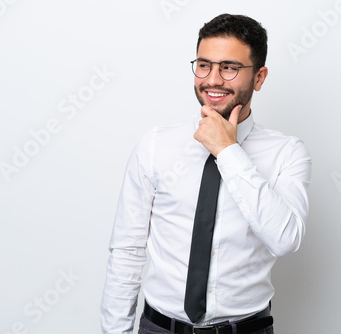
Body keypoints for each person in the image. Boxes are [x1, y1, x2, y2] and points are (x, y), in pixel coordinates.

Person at [100, 13, 311, 334]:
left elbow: (284, 240)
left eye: (229, 67)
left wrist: (227, 151)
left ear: (259, 77)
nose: (212, 79)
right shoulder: (157, 145)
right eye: (204, 65)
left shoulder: (287, 152)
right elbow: (127, 251)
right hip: (160, 329)